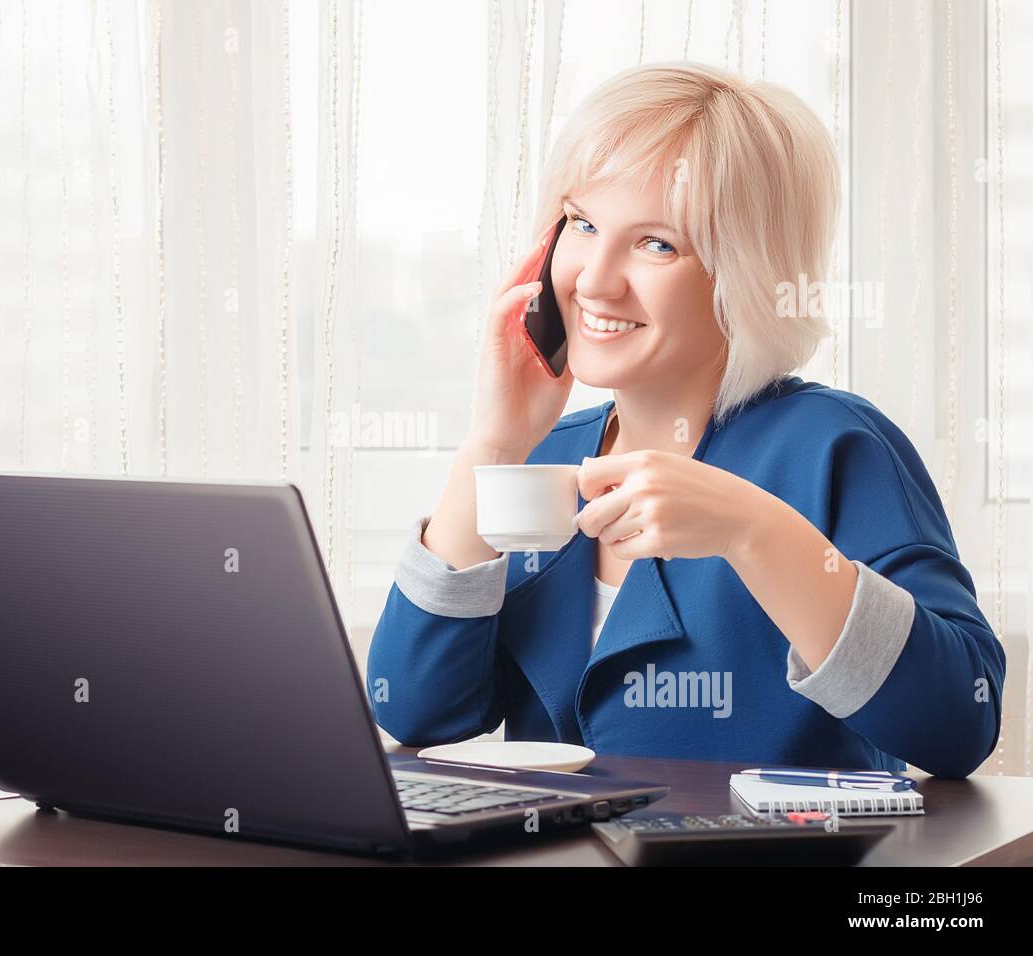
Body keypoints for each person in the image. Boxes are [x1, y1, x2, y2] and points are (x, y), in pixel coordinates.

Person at [366, 62, 1005, 779]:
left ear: (746, 274)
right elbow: (414, 710)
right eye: (582, 223)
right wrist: (492, 442)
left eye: (657, 244)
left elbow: (959, 722)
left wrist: (753, 532)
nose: (594, 280)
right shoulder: (545, 456)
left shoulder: (833, 446)